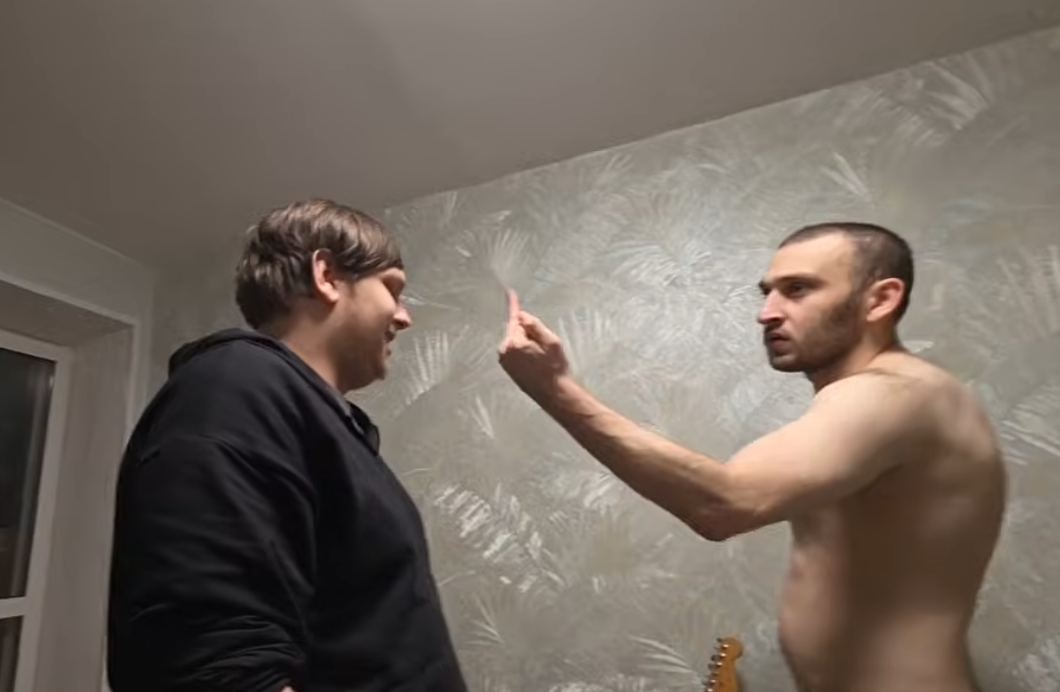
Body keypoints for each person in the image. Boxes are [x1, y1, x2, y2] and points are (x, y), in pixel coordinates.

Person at [497, 222, 1006, 692]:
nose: (766, 313)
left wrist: (554, 389)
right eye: (767, 293)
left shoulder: (894, 396)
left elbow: (724, 503)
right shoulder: (894, 398)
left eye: (798, 289)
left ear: (880, 300)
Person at [107, 199, 468, 692]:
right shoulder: (234, 386)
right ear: (327, 275)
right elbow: (213, 664)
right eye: (393, 289)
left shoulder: (319, 420)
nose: (404, 317)